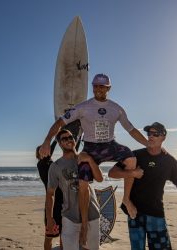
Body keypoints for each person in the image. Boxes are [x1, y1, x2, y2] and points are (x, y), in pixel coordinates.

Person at [39, 74, 148, 234]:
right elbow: (60, 123)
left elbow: (131, 130)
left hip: (110, 145)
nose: (98, 88)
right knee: (83, 183)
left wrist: (148, 144)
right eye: (95, 85)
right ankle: (84, 222)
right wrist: (47, 140)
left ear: (108, 88)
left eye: (102, 86)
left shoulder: (116, 109)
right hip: (90, 149)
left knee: (131, 157)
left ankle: (126, 199)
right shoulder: (83, 107)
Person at [109, 122, 177, 250]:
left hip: (156, 214)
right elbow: (112, 173)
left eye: (155, 134)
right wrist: (133, 172)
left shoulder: (169, 161)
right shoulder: (135, 155)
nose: (151, 136)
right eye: (149, 133)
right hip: (134, 213)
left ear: (163, 137)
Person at [45, 129, 103, 250]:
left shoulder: (85, 157)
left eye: (70, 137)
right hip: (70, 215)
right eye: (64, 139)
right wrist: (49, 218)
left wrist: (91, 160)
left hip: (91, 212)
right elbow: (50, 194)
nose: (69, 140)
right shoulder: (55, 166)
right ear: (59, 143)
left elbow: (99, 178)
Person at [36, 146, 64, 250]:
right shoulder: (41, 164)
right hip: (51, 204)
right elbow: (50, 148)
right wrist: (52, 139)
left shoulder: (53, 164)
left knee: (63, 235)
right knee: (49, 236)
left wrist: (77, 140)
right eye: (44, 150)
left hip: (62, 202)